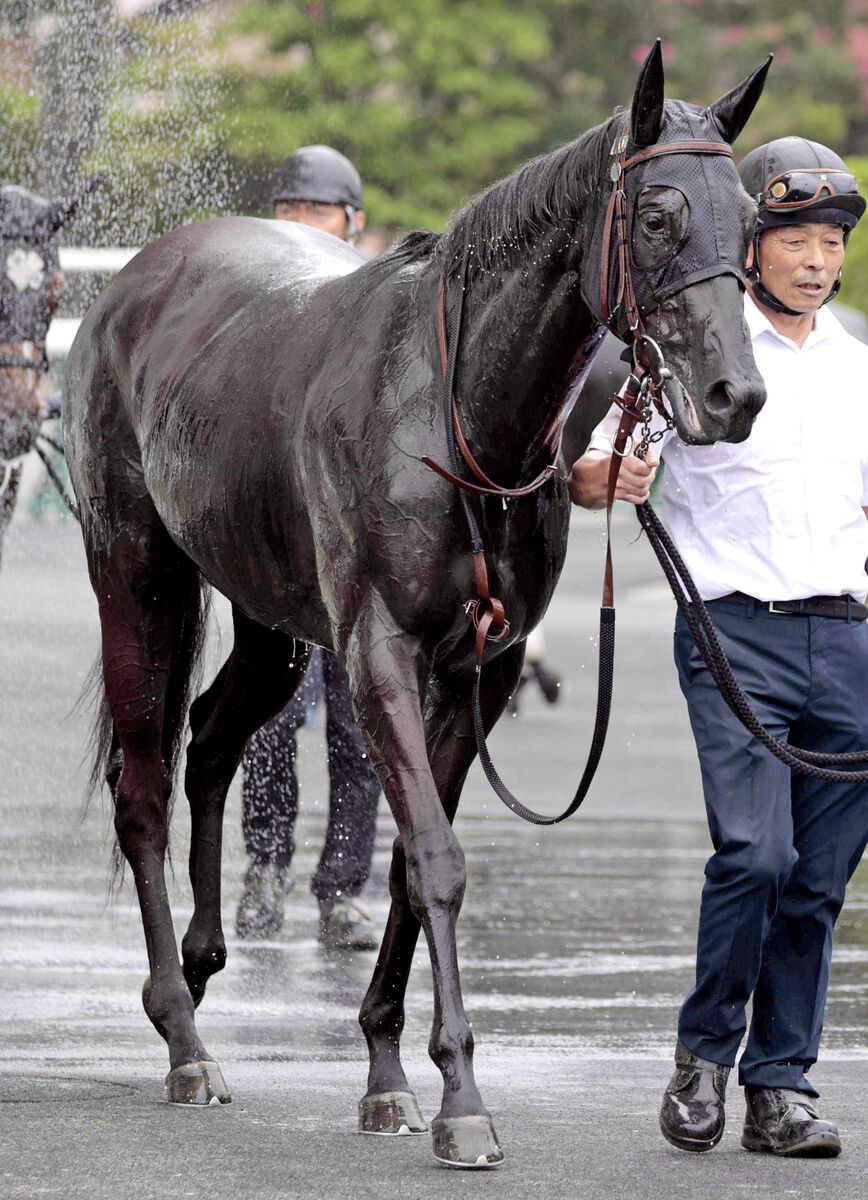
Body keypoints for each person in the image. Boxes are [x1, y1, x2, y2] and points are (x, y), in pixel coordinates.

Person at [569, 137, 868, 1158]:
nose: (817, 260)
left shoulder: (858, 363)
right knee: (757, 852)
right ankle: (703, 1054)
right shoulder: (692, 347)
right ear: (752, 243)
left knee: (819, 881)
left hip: (849, 639)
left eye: (831, 240)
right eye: (796, 239)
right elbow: (596, 465)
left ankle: (778, 1088)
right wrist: (609, 478)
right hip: (735, 632)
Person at [236, 145, 380, 950]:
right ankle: (264, 869)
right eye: (287, 210)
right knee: (268, 721)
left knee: (360, 734)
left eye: (315, 211)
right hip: (284, 557)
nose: (297, 224)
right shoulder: (259, 311)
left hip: (361, 561)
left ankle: (342, 891)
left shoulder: (378, 308)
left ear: (352, 224)